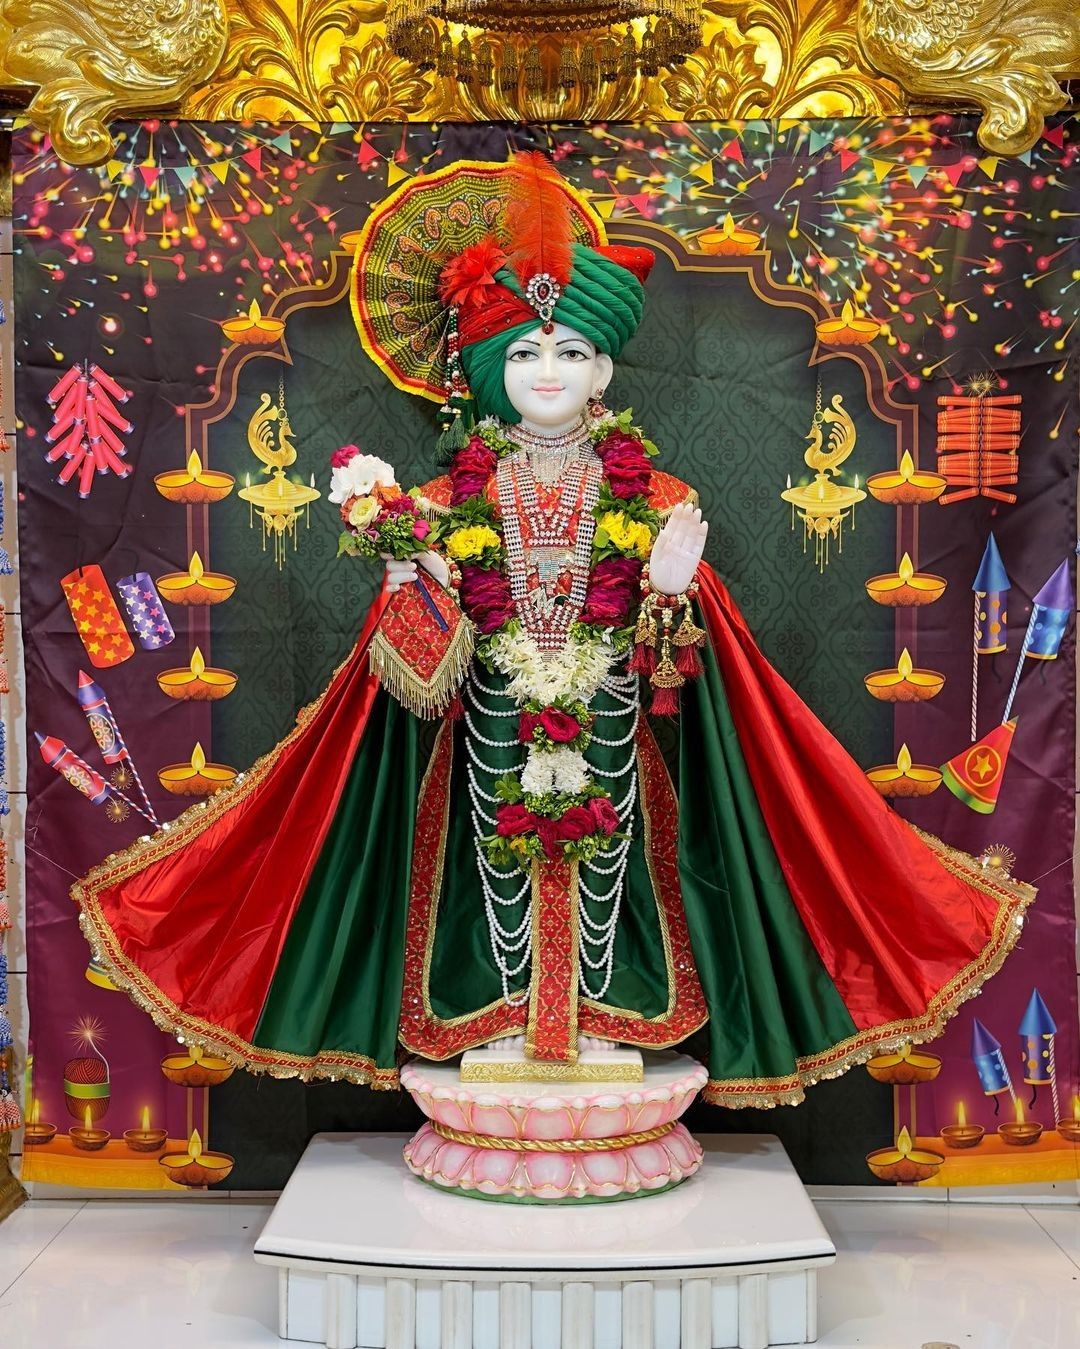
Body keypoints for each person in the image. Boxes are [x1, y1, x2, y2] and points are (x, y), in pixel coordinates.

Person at [74, 153, 1032, 1109]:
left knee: (615, 864)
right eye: (525, 353)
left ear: (606, 368)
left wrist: (666, 596)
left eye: (571, 351)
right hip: (481, 740)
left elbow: (685, 681)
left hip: (618, 733)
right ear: (490, 373)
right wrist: (417, 581)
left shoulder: (658, 497)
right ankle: (497, 1018)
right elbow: (412, 677)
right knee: (483, 877)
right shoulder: (442, 501)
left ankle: (602, 1018)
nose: (547, 372)